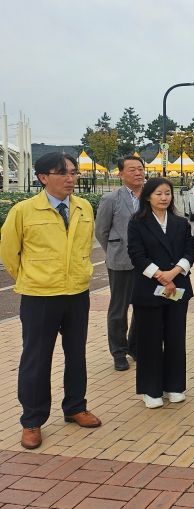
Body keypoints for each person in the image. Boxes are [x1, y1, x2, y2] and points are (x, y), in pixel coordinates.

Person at [0, 152, 102, 450]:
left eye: (73, 172)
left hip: (77, 293)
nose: (71, 178)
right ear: (43, 177)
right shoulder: (24, 211)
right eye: (63, 173)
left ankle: (75, 407)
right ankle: (32, 420)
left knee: (77, 353)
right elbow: (9, 252)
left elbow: (85, 247)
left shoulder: (83, 207)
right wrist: (32, 277)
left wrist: (81, 273)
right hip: (40, 296)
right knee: (36, 358)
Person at [127, 178, 194, 408]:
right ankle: (151, 390)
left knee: (175, 338)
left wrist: (173, 273)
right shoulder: (137, 223)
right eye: (158, 193)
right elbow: (136, 254)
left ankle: (174, 386)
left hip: (177, 287)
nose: (164, 197)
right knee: (150, 340)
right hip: (149, 289)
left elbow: (189, 251)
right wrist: (161, 276)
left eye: (167, 193)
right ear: (148, 196)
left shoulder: (180, 223)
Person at [95, 155, 144, 371]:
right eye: (132, 169)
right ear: (121, 173)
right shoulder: (111, 198)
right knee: (119, 309)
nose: (138, 173)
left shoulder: (151, 195)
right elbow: (101, 231)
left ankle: (135, 346)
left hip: (147, 263)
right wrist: (114, 250)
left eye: (140, 168)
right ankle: (118, 351)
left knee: (143, 306)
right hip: (121, 261)